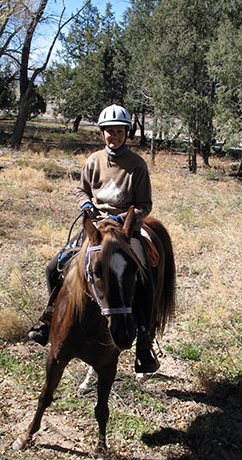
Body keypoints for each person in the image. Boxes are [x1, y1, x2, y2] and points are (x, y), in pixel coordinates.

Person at [28, 104, 159, 373]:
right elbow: (81, 191)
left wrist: (128, 218)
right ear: (103, 133)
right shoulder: (93, 161)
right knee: (55, 266)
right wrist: (86, 204)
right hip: (96, 227)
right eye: (110, 131)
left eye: (120, 131)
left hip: (125, 231)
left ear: (126, 132)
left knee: (145, 275)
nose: (115, 136)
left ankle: (144, 340)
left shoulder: (137, 165)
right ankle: (49, 316)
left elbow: (145, 204)